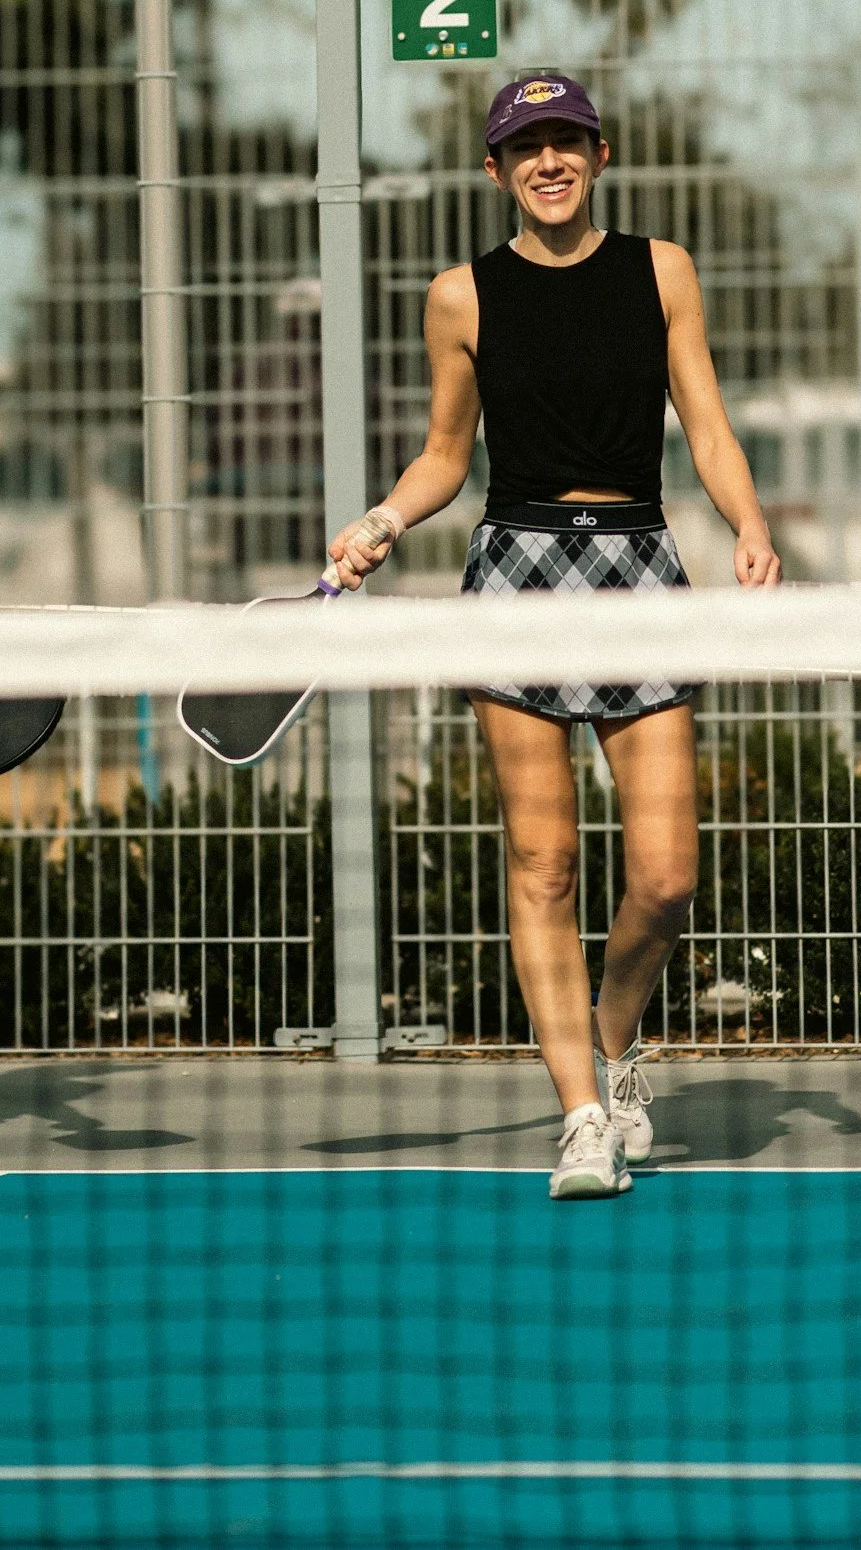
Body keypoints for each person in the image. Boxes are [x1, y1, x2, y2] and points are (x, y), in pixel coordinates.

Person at [330, 72, 780, 1200]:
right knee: (543, 862)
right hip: (515, 570)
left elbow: (708, 424)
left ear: (600, 153)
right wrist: (383, 518)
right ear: (493, 171)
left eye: (564, 140)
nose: (547, 160)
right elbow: (444, 452)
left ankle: (611, 1041)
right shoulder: (458, 298)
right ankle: (580, 1112)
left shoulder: (660, 270)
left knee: (667, 876)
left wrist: (750, 524)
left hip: (638, 562)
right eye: (524, 145)